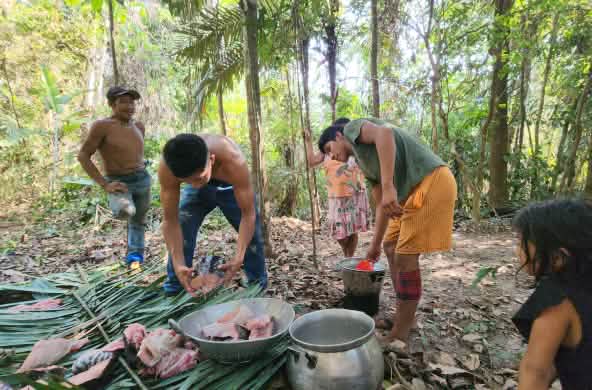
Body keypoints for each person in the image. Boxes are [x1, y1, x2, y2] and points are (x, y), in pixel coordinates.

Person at [317, 118, 457, 342]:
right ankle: (406, 317)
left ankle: (400, 334)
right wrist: (374, 245)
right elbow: (383, 203)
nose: (330, 157)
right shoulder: (363, 163)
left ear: (337, 137)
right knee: (390, 247)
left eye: (328, 149)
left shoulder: (350, 128)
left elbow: (385, 134)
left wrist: (390, 184)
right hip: (410, 194)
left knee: (405, 256)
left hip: (432, 181)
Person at [159, 133, 267, 296]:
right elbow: (170, 221)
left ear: (212, 159)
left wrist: (238, 257)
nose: (194, 186)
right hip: (201, 182)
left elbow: (248, 214)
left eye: (198, 179)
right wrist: (178, 262)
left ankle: (256, 288)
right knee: (183, 224)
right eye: (187, 181)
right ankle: (176, 288)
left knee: (252, 238)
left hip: (229, 187)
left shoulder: (233, 159)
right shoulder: (169, 168)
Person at [511, 199, 592, 389]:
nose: (518, 251)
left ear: (558, 257)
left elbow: (536, 372)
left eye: (522, 244)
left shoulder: (557, 301)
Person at [78, 86, 151, 268]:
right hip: (119, 182)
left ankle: (135, 259)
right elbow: (83, 155)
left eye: (132, 102)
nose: (129, 106)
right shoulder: (102, 126)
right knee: (127, 211)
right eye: (123, 102)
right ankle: (132, 252)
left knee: (138, 221)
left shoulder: (139, 126)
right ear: (111, 105)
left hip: (142, 179)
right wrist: (104, 184)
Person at [305, 118, 370, 257]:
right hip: (336, 197)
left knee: (352, 230)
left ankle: (348, 258)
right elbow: (311, 161)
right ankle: (346, 254)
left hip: (355, 194)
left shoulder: (355, 147)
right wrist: (308, 141)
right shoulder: (328, 149)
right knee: (340, 235)